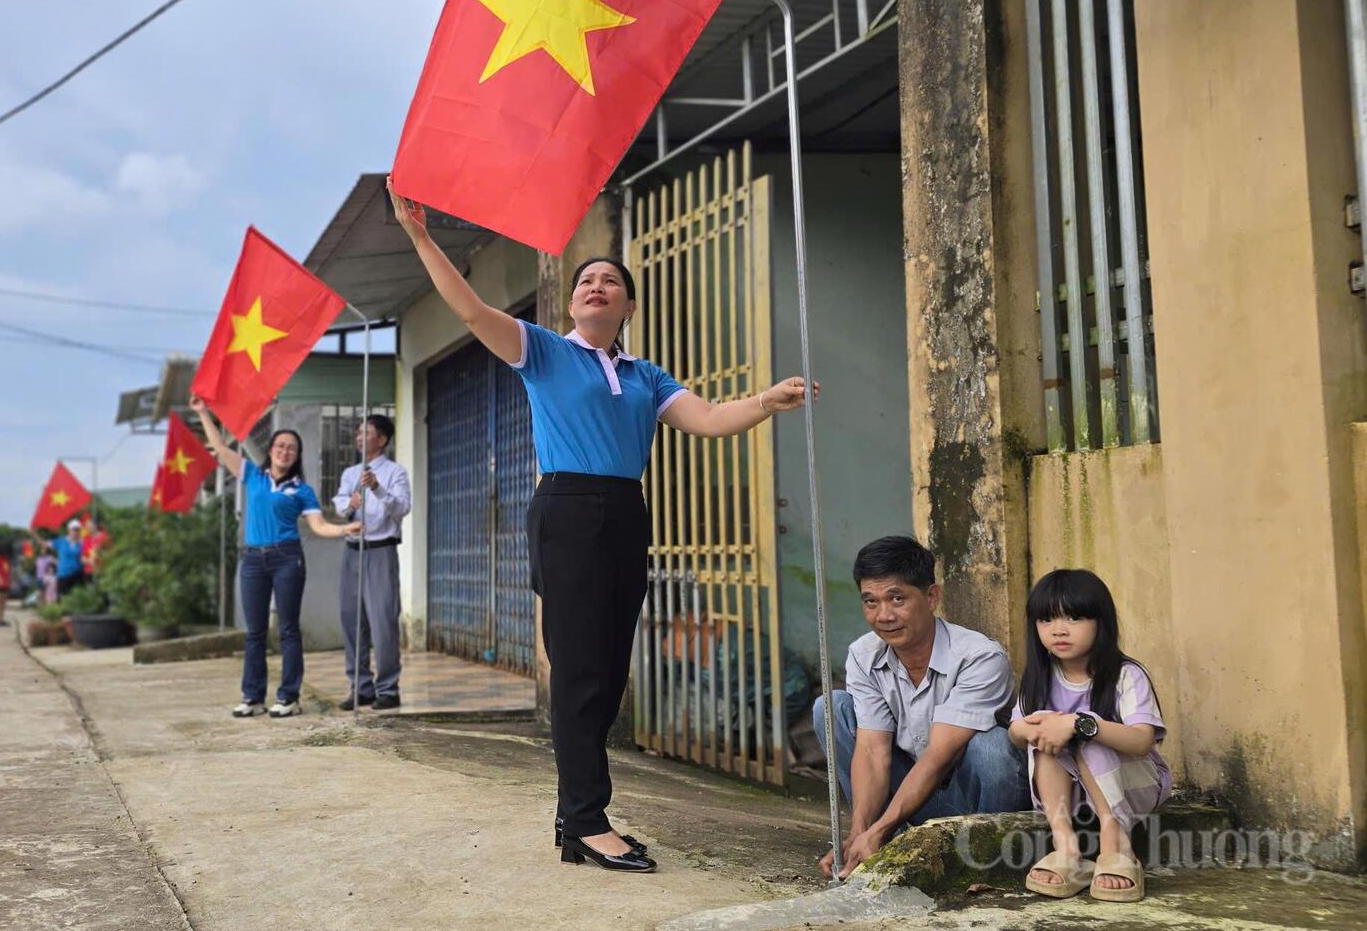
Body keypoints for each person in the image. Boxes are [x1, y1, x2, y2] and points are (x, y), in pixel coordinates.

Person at [392, 180, 813, 874]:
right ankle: (588, 818)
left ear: (628, 304)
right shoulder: (544, 352)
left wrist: (766, 400)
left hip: (625, 512)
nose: (596, 285)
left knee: (609, 671)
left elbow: (707, 420)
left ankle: (573, 816)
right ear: (571, 300)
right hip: (568, 509)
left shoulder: (646, 374)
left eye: (610, 280)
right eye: (586, 278)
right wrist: (420, 237)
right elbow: (468, 311)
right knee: (581, 669)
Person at [813, 536, 1031, 879]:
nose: (883, 615)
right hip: (914, 797)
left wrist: (879, 828)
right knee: (831, 707)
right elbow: (872, 751)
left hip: (972, 800)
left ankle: (986, 860)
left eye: (897, 598)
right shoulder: (863, 654)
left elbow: (939, 756)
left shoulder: (979, 657)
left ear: (931, 597)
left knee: (992, 748)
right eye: (870, 601)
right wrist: (860, 833)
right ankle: (886, 842)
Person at [190, 393, 360, 718]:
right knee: (255, 632)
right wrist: (202, 413)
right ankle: (252, 697)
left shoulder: (302, 491)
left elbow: (319, 526)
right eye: (280, 445)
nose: (284, 451)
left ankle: (289, 697)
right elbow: (221, 448)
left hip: (287, 560)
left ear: (297, 456)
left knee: (287, 629)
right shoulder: (252, 475)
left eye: (291, 448)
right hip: (253, 560)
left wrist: (343, 531)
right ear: (270, 451)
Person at [1012, 569, 1170, 903]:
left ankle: (1115, 844)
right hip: (1074, 792)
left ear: (1101, 622)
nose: (1059, 630)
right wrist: (1037, 727)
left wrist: (1081, 724)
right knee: (1044, 735)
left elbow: (1142, 741)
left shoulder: (1127, 674)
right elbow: (1016, 730)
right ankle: (1067, 848)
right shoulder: (1040, 677)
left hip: (1133, 785)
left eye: (1074, 617)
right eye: (1046, 620)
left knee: (1089, 732)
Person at [331, 413, 411, 711]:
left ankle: (388, 688)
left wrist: (377, 487)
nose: (360, 437)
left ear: (383, 439)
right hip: (353, 550)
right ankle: (360, 686)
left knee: (382, 622)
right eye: (358, 432)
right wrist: (348, 505)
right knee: (352, 620)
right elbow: (338, 503)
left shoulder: (395, 473)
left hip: (380, 551)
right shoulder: (351, 473)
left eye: (368, 432)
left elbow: (402, 507)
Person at [52, 520, 85, 595]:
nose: (75, 532)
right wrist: (34, 534)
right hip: (63, 575)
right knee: (62, 597)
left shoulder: (81, 542)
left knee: (77, 597)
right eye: (74, 529)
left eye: (77, 530)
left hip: (77, 574)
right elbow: (45, 543)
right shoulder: (62, 541)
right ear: (69, 530)